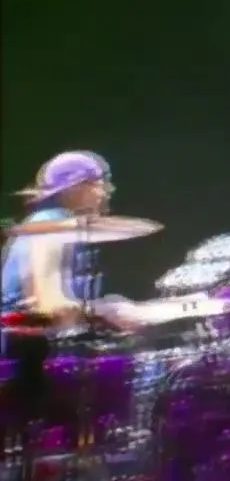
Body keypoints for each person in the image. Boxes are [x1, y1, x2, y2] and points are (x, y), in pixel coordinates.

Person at [0, 151, 117, 468]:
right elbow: (49, 304)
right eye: (100, 182)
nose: (107, 190)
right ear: (75, 187)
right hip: (23, 361)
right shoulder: (50, 226)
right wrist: (106, 312)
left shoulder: (54, 225)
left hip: (32, 354)